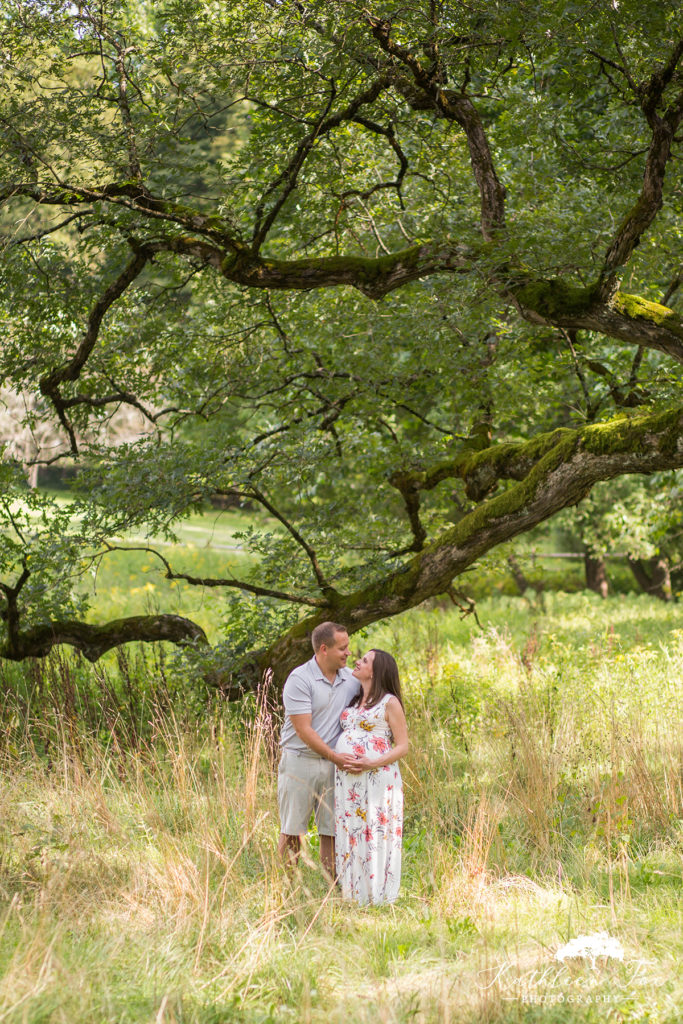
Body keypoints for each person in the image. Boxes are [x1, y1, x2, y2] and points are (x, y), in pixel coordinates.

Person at [278, 621, 361, 879]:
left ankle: (333, 888)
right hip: (300, 761)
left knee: (333, 830)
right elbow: (304, 730)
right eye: (342, 648)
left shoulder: (351, 679)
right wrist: (336, 757)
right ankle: (285, 887)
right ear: (324, 649)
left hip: (335, 765)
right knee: (292, 829)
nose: (348, 652)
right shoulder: (300, 679)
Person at [334, 649, 408, 905]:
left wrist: (371, 762)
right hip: (349, 782)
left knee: (373, 829)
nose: (357, 661)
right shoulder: (354, 700)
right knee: (352, 829)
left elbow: (402, 746)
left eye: (364, 660)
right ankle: (353, 892)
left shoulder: (389, 702)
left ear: (376, 672)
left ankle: (377, 894)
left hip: (377, 776)